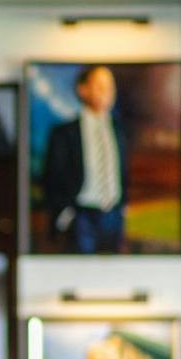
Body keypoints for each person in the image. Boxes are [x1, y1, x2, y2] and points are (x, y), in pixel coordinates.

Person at [42, 65, 129, 254]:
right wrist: (65, 212)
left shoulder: (119, 130)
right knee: (80, 275)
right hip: (81, 215)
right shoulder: (64, 133)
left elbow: (122, 171)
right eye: (100, 86)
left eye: (110, 87)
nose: (107, 92)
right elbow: (52, 176)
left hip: (113, 215)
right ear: (83, 89)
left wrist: (122, 208)